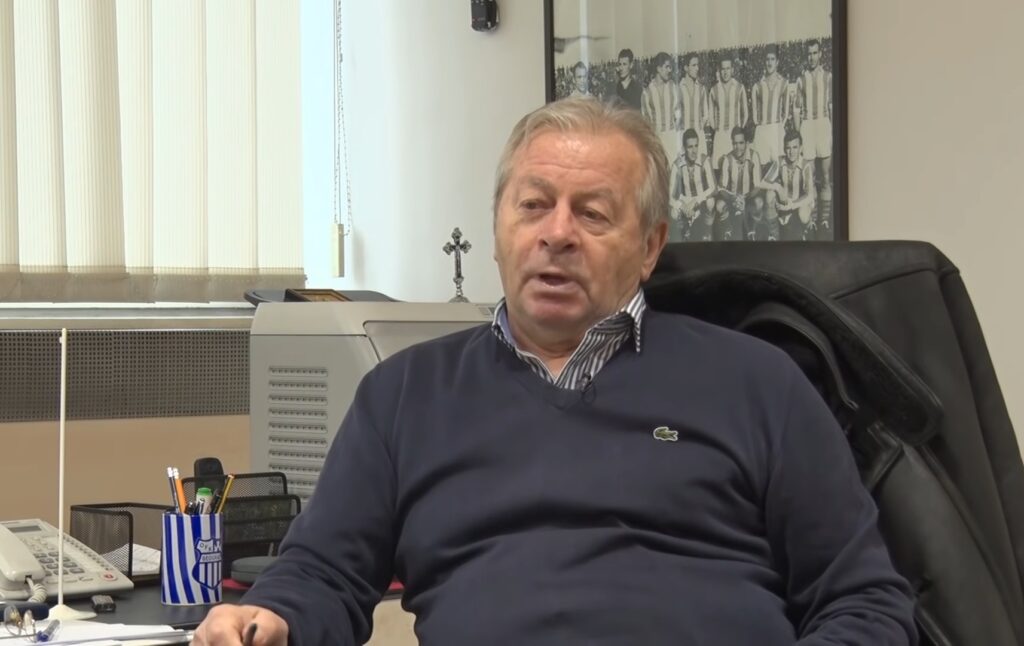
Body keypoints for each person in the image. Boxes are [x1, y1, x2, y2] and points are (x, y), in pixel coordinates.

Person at [193, 97, 916, 645]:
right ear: (499, 228)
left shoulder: (759, 383)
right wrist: (271, 616)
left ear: (650, 246)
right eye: (534, 206)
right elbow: (322, 571)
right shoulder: (403, 396)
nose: (557, 234)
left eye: (592, 214)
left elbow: (865, 602)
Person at [795, 40, 833, 236]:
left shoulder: (828, 77)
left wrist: (832, 130)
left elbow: (832, 106)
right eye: (809, 54)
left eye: (815, 53)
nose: (812, 57)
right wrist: (798, 135)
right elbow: (796, 109)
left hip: (823, 124)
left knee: (825, 176)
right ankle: (812, 219)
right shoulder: (801, 80)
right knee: (810, 178)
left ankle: (824, 219)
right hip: (808, 126)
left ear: (820, 54)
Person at [715, 126, 771, 241]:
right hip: (733, 198)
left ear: (746, 143)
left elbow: (757, 185)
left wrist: (744, 199)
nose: (738, 147)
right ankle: (728, 230)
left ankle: (753, 229)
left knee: (759, 202)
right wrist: (734, 198)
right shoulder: (727, 159)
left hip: (749, 197)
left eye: (741, 143)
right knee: (719, 205)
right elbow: (721, 188)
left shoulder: (754, 156)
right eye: (735, 143)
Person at [669, 127, 716, 242]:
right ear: (684, 148)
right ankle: (682, 234)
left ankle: (707, 231)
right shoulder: (677, 164)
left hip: (700, 200)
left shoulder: (704, 160)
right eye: (690, 147)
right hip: (686, 201)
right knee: (673, 212)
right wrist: (683, 206)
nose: (694, 151)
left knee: (710, 201)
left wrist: (696, 201)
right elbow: (669, 196)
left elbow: (713, 187)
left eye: (696, 146)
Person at [771, 129, 817, 240]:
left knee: (803, 214)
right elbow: (763, 181)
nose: (791, 152)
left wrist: (791, 205)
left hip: (800, 202)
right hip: (786, 202)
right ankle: (772, 234)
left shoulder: (805, 165)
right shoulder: (780, 161)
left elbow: (809, 195)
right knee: (769, 195)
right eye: (788, 148)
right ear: (784, 149)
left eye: (795, 147)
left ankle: (807, 227)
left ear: (801, 148)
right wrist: (777, 187)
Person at [750, 46, 789, 170]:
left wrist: (779, 125)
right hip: (762, 130)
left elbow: (786, 111)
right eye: (767, 59)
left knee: (779, 167)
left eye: (772, 59)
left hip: (777, 129)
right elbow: (754, 113)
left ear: (777, 62)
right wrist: (760, 126)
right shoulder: (757, 85)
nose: (770, 62)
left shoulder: (784, 83)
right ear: (764, 61)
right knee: (761, 168)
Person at [641, 52, 681, 163]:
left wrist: (674, 137)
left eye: (670, 67)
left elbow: (678, 116)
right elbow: (646, 120)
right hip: (657, 139)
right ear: (658, 69)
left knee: (674, 169)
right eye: (667, 67)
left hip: (671, 138)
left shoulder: (673, 88)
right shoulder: (647, 92)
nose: (669, 70)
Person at [709, 55, 748, 168]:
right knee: (718, 166)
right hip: (720, 135)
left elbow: (745, 113)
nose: (725, 72)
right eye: (723, 69)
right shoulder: (714, 90)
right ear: (719, 70)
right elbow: (710, 114)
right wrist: (716, 129)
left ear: (732, 70)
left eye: (728, 68)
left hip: (734, 135)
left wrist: (739, 129)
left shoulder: (739, 87)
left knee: (735, 166)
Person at [677, 53, 710, 160]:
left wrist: (699, 128)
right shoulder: (678, 88)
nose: (697, 68)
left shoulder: (701, 88)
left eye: (698, 65)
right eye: (694, 65)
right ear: (686, 68)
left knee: (700, 164)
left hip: (698, 136)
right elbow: (675, 114)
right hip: (683, 136)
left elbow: (706, 114)